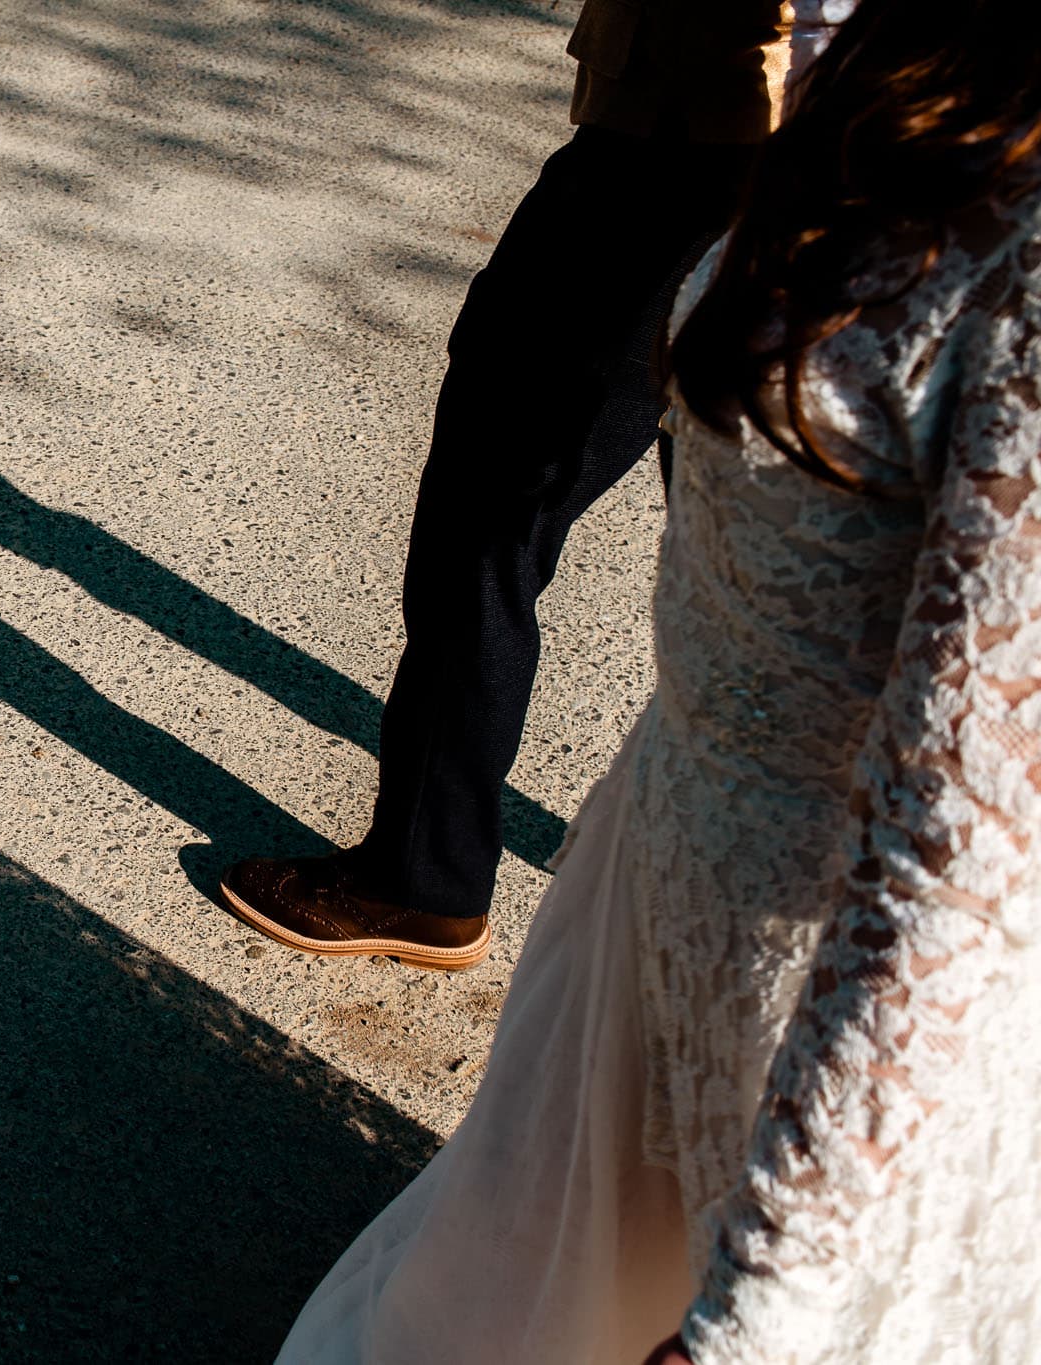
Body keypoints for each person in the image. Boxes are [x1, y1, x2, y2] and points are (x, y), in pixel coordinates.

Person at [274, 0, 1041, 1359]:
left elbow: (959, 848)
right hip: (656, 873)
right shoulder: (882, 85)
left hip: (810, 968)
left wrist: (758, 1308)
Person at [218, 0, 795, 967]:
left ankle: (422, 878)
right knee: (747, 555)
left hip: (695, 146)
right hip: (767, 148)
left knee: (491, 505)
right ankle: (756, 902)